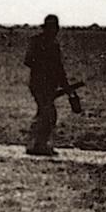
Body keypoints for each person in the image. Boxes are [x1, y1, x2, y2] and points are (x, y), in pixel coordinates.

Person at [23, 14, 72, 155]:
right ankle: (37, 146)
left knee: (46, 113)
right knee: (48, 113)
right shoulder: (36, 42)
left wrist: (66, 86)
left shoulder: (54, 45)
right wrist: (45, 65)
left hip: (50, 85)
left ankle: (38, 144)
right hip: (39, 84)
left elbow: (59, 68)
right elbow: (28, 61)